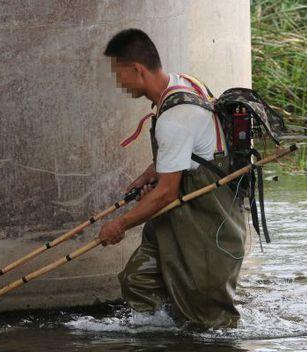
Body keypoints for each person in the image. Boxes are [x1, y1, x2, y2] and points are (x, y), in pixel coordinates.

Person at [98, 28, 246, 328]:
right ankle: (168, 334)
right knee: (137, 282)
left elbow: (166, 193)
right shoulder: (184, 83)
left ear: (137, 70)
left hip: (207, 225)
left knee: (209, 321)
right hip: (178, 219)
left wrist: (119, 225)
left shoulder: (174, 119)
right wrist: (149, 173)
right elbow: (194, 148)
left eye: (119, 75)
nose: (119, 83)